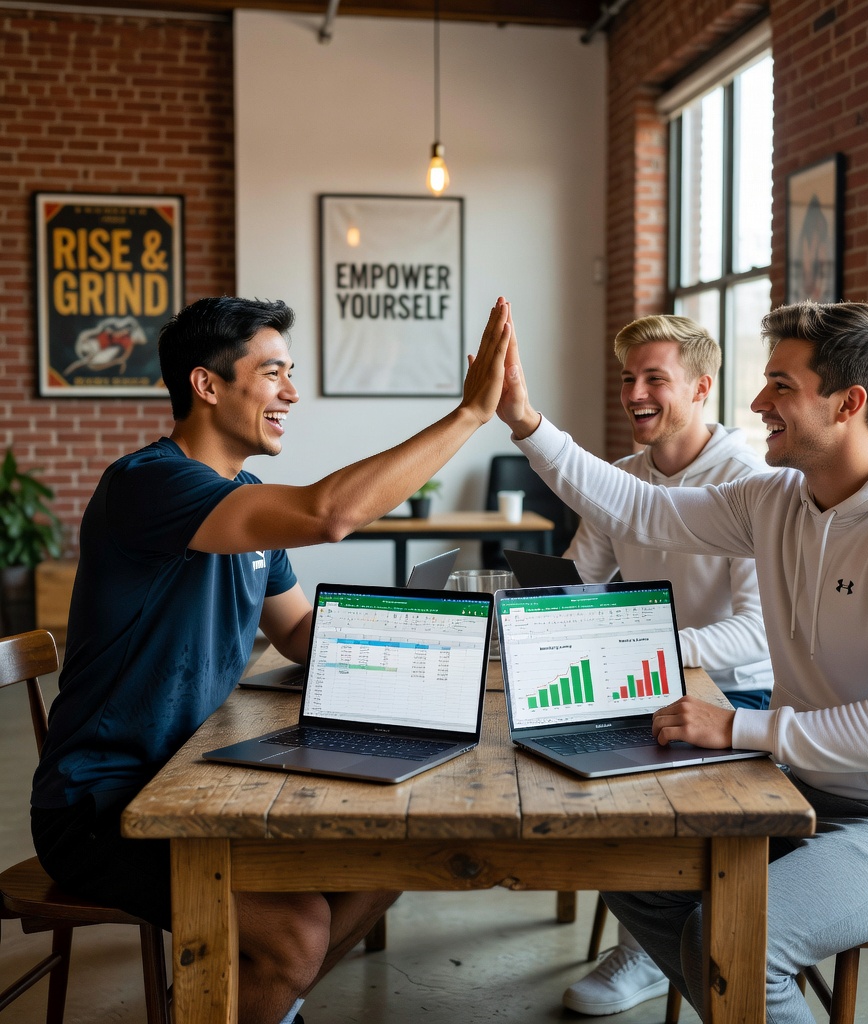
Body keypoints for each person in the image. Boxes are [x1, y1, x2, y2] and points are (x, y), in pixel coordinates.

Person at [496, 299, 868, 1023]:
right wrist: (527, 424)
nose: (758, 401)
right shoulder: (780, 499)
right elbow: (643, 511)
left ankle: (740, 985)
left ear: (849, 403)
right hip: (811, 788)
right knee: (624, 859)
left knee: (741, 941)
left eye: (781, 387)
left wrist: (734, 727)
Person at [30, 294, 513, 1024]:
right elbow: (331, 514)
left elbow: (299, 631)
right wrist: (470, 415)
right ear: (207, 384)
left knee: (389, 865)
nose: (292, 392)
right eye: (275, 372)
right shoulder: (150, 485)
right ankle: (247, 991)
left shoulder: (241, 496)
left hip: (194, 779)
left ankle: (238, 1002)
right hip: (104, 805)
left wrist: (451, 646)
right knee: (297, 932)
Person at [560, 314, 773, 1017]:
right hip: (654, 679)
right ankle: (655, 931)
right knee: (562, 763)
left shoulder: (750, 483)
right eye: (629, 378)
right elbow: (575, 580)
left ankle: (653, 950)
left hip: (743, 694)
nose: (635, 393)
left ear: (702, 387)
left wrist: (651, 649)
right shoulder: (623, 478)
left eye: (656, 378)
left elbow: (755, 631)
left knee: (623, 785)